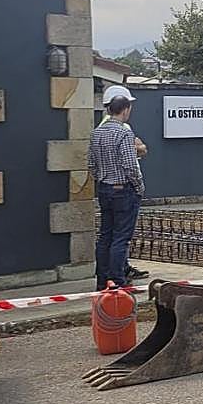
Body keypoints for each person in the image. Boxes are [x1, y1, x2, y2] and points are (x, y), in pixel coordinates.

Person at [87, 92, 145, 291]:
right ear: (126, 110)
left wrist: (102, 178)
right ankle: (117, 281)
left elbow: (91, 164)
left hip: (104, 188)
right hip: (123, 189)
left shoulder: (97, 133)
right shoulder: (124, 133)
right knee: (121, 238)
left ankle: (102, 280)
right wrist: (139, 187)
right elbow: (130, 165)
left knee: (105, 236)